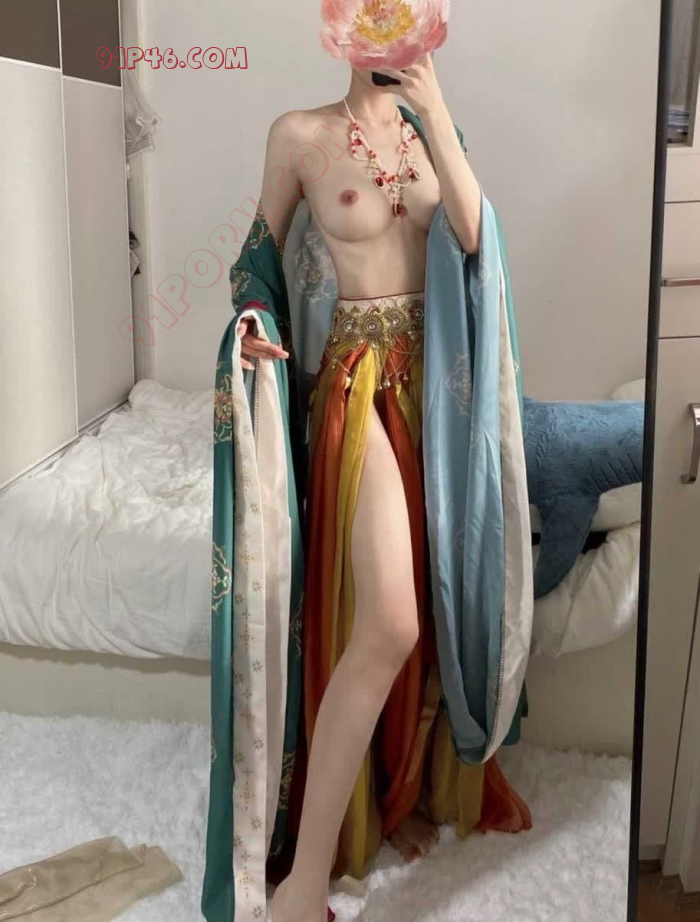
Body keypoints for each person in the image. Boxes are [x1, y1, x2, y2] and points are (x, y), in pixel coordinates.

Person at [224, 55, 532, 922]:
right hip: (359, 385)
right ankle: (303, 883)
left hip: (443, 393)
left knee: (437, 605)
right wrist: (248, 323)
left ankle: (399, 785)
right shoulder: (301, 135)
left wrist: (436, 110)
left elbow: (475, 239)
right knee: (392, 619)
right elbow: (256, 261)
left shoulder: (438, 131)